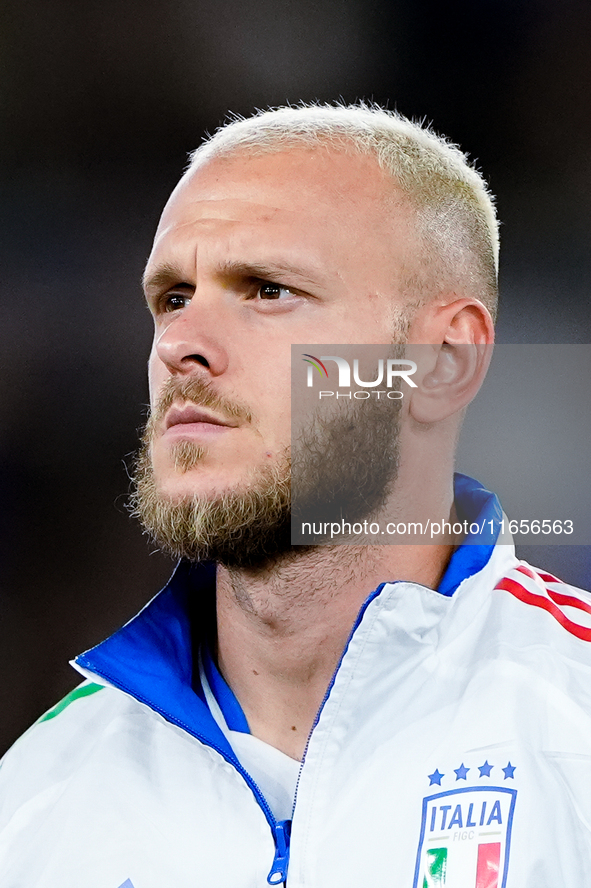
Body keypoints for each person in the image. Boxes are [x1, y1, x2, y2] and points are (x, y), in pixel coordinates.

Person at [1, 103, 590, 888]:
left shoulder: (570, 719)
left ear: (443, 360)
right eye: (173, 297)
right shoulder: (40, 794)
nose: (180, 345)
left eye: (268, 290)